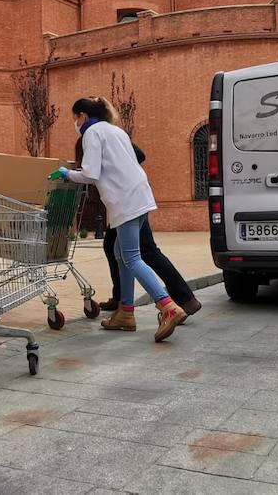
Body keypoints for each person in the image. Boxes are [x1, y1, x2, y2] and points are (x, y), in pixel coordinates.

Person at [53, 97, 187, 342]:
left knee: (132, 257)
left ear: (82, 116)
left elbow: (91, 173)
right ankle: (125, 313)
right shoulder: (116, 131)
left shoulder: (91, 133)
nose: (75, 122)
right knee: (119, 252)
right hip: (139, 195)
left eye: (75, 117)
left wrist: (68, 174)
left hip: (124, 200)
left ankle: (168, 307)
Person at [74, 124, 201, 318]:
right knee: (114, 246)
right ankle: (124, 304)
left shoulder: (105, 135)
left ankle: (177, 303)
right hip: (129, 199)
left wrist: (120, 169)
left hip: (129, 200)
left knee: (143, 252)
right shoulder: (107, 133)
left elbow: (137, 156)